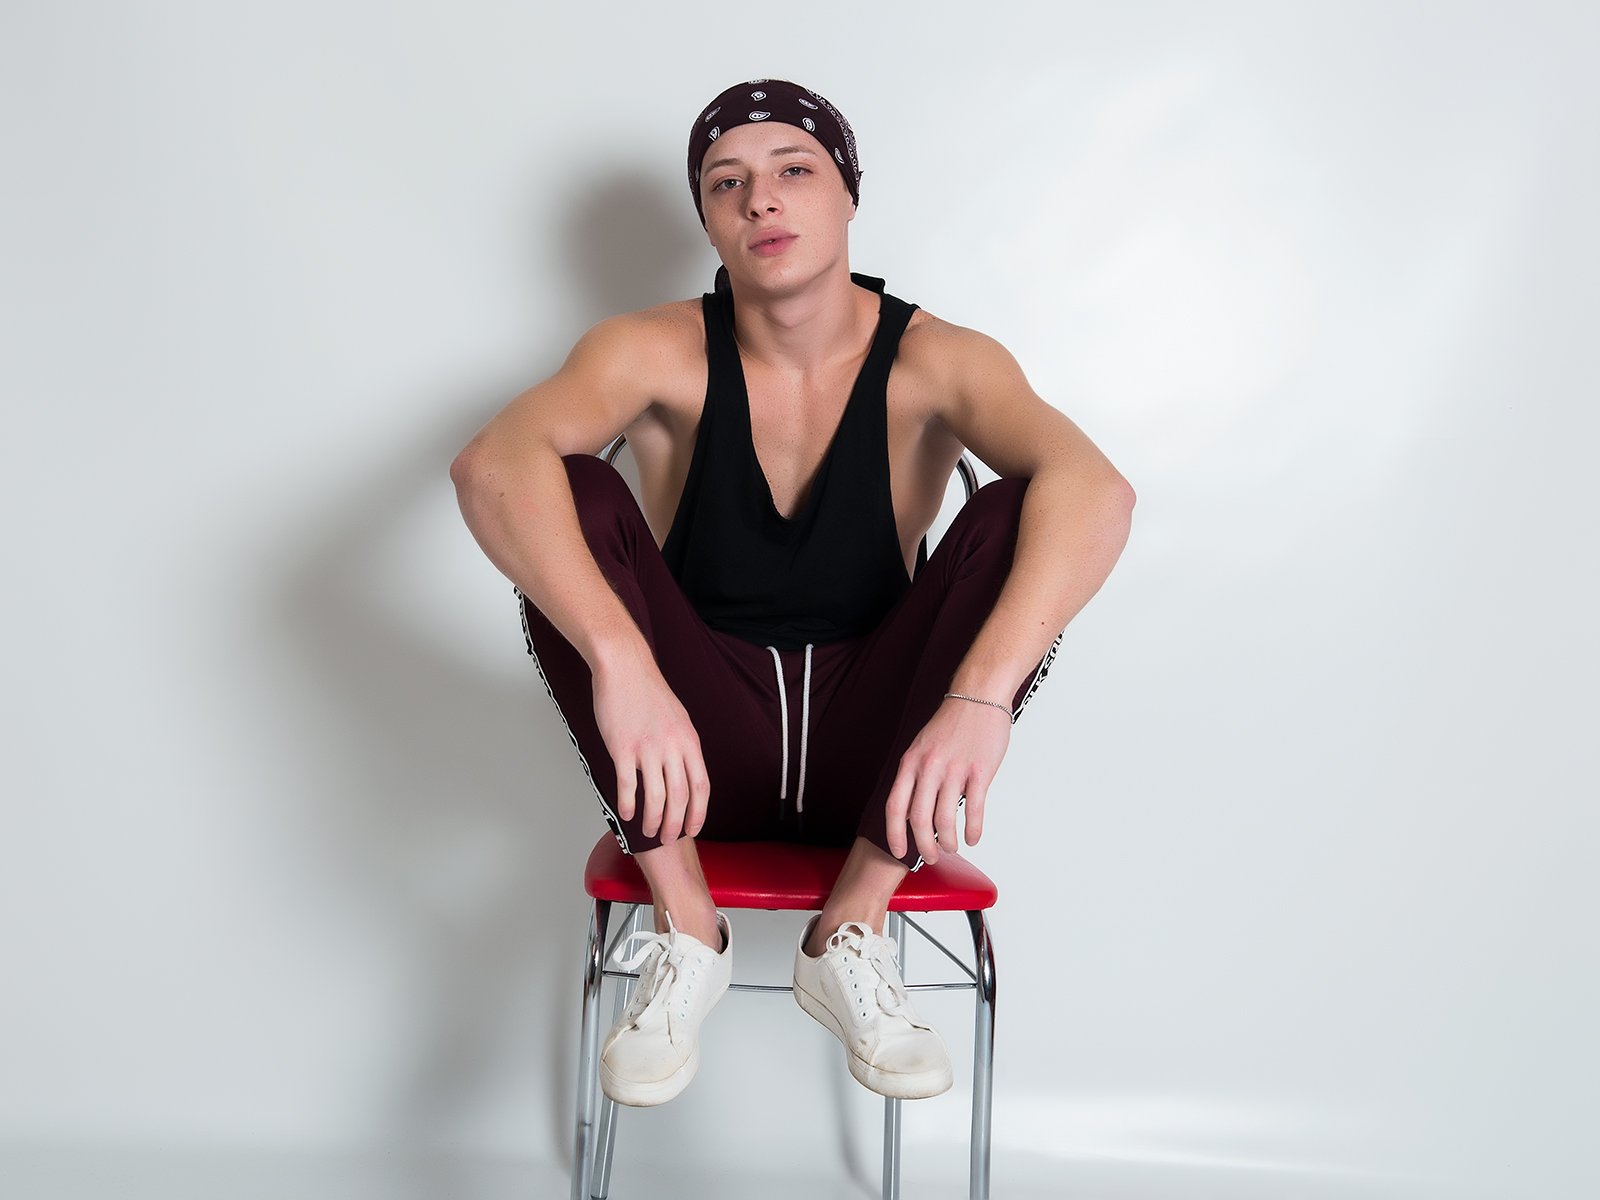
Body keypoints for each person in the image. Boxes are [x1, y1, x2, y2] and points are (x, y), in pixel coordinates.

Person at [451, 78, 1135, 1108]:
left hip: (880, 761)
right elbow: (492, 466)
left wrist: (981, 696)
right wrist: (623, 662)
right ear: (706, 221)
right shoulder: (649, 351)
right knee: (569, 493)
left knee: (1018, 512)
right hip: (694, 754)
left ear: (848, 194)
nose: (760, 199)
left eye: (793, 171)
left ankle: (853, 926)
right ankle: (687, 927)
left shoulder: (939, 360)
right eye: (726, 183)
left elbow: (1097, 489)